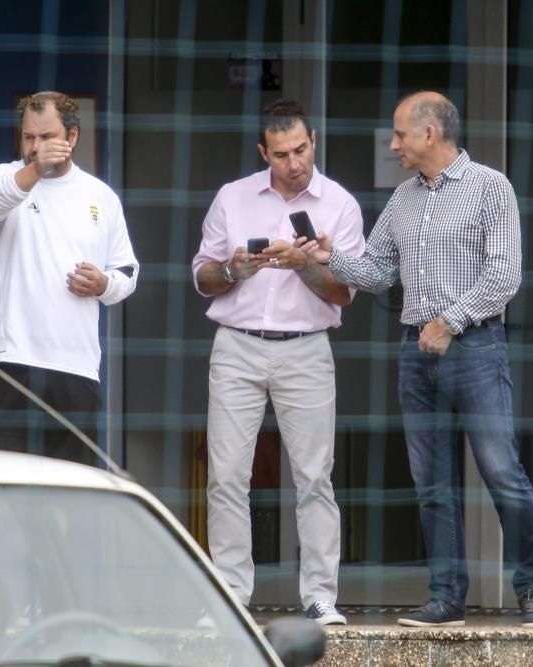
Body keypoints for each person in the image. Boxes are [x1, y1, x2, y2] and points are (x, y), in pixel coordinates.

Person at [301, 91, 533, 628]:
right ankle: (446, 599)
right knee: (431, 482)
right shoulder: (403, 199)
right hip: (416, 355)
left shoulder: (490, 189)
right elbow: (376, 273)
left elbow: (505, 276)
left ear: (430, 134)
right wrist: (329, 258)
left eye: (400, 135)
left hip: (477, 348)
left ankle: (532, 588)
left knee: (502, 471)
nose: (393, 145)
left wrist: (451, 321)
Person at [191, 99, 365, 626]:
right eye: (283, 153)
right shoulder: (233, 196)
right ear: (264, 151)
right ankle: (230, 596)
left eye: (302, 149)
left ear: (313, 139)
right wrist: (234, 269)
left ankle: (319, 597)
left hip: (307, 347)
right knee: (225, 476)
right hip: (237, 343)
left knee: (314, 476)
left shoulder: (339, 204)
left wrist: (307, 267)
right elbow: (202, 277)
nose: (295, 163)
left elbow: (344, 293)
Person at [0, 91, 138, 463]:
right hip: (7, 361)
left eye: (46, 137)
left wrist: (104, 284)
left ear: (73, 137)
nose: (36, 147)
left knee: (70, 491)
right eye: (29, 137)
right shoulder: (4, 176)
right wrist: (33, 169)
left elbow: (127, 271)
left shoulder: (102, 197)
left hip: (74, 367)